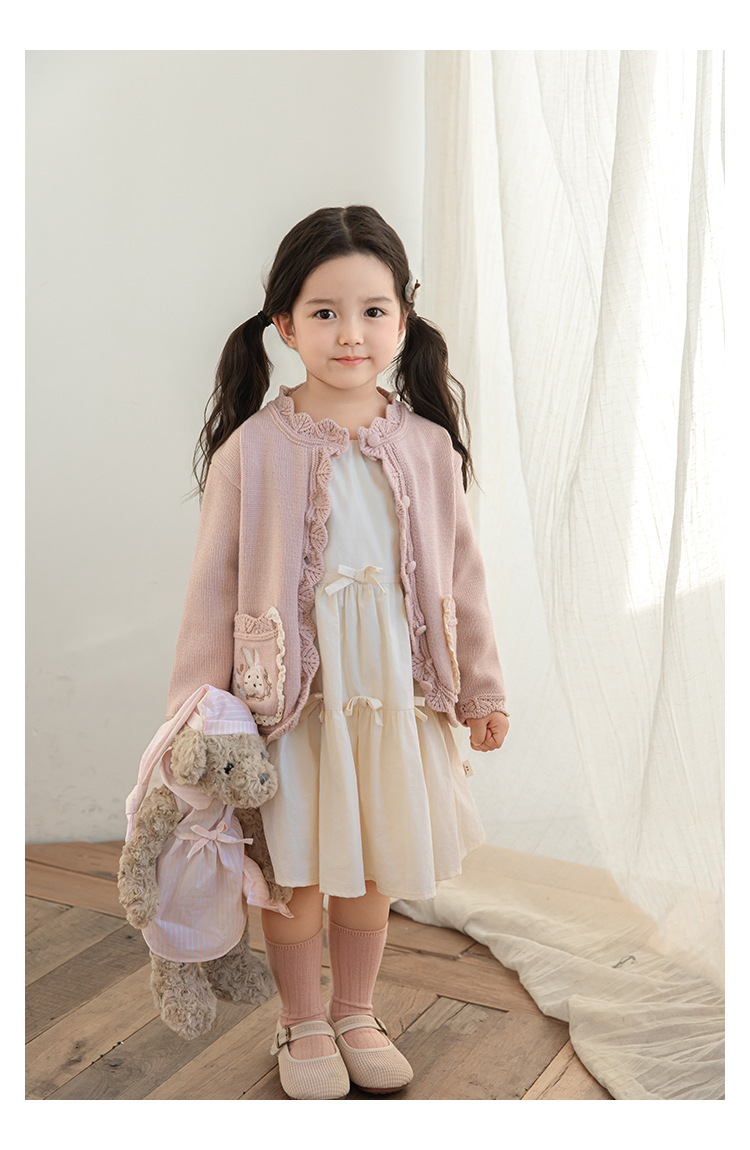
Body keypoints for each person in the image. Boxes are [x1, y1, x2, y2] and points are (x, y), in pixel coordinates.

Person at [166, 205, 509, 1099]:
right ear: (285, 325)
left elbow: (463, 578)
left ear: (403, 319)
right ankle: (302, 1019)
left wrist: (482, 689)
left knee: (373, 866)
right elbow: (211, 589)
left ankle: (356, 1011)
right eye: (324, 312)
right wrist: (195, 715)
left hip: (394, 698)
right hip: (293, 706)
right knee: (296, 876)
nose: (350, 333)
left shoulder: (428, 447)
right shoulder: (254, 451)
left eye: (372, 310)